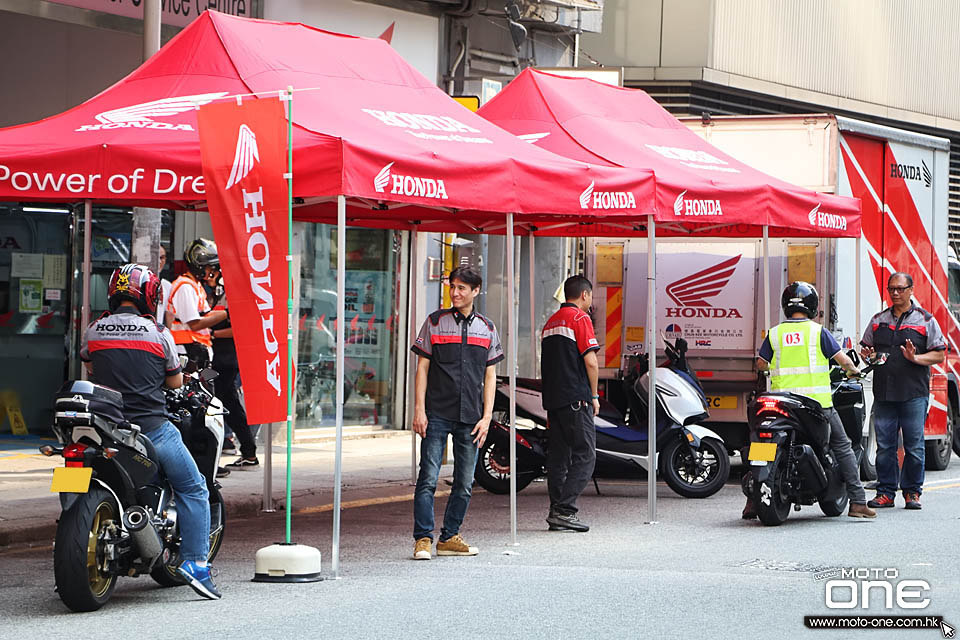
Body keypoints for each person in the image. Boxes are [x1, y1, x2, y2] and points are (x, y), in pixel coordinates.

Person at [80, 263, 221, 600]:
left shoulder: (95, 329)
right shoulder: (157, 333)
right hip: (151, 429)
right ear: (150, 295)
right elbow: (173, 380)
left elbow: (89, 364)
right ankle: (196, 565)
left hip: (105, 427)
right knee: (193, 488)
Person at [742, 281, 877, 520]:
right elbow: (842, 360)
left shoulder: (775, 333)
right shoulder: (818, 332)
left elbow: (761, 364)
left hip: (780, 403)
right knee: (843, 446)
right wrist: (853, 371)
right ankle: (857, 502)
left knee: (762, 445)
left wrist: (771, 369)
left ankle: (752, 502)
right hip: (816, 405)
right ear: (812, 307)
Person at [410, 266, 503, 560]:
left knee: (464, 482)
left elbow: (491, 377)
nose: (455, 293)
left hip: (472, 417)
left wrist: (488, 417)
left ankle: (449, 537)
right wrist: (418, 409)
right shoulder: (435, 323)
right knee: (428, 477)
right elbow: (422, 368)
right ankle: (423, 539)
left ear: (476, 291)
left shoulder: (487, 329)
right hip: (437, 412)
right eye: (453, 287)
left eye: (462, 288)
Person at [861, 272, 946, 510]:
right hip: (884, 393)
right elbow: (866, 346)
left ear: (911, 290)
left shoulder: (925, 320)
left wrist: (915, 357)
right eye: (891, 289)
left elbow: (939, 353)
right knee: (885, 446)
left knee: (914, 445)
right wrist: (867, 355)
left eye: (900, 288)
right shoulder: (878, 320)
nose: (895, 293)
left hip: (913, 393)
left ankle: (912, 493)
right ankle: (886, 492)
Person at [539, 274, 600, 532]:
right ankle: (565, 510)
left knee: (558, 458)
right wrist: (595, 396)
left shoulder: (550, 322)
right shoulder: (579, 318)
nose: (591, 301)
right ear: (584, 295)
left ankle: (557, 510)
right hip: (576, 398)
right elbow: (591, 360)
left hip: (554, 401)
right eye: (591, 296)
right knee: (586, 455)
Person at [209, 273, 260, 470]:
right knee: (230, 404)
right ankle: (248, 451)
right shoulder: (218, 295)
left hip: (225, 361)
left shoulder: (236, 298)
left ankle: (213, 455)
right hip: (221, 359)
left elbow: (240, 328)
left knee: (212, 404)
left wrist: (211, 333)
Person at [166, 238, 227, 369]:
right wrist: (227, 314)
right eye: (210, 267)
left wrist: (229, 312)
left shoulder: (195, 286)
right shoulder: (185, 287)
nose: (212, 271)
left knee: (207, 388)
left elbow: (206, 314)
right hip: (187, 351)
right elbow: (194, 324)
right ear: (199, 265)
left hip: (197, 351)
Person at [155, 244, 172, 328]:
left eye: (162, 258)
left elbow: (169, 314)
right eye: (156, 257)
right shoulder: (135, 283)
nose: (159, 261)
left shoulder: (167, 286)